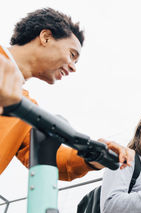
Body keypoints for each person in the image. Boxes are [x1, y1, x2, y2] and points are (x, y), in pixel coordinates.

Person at [0, 8, 133, 180]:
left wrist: (95, 155)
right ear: (46, 37)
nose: (73, 67)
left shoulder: (24, 108)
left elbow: (49, 158)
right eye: (72, 55)